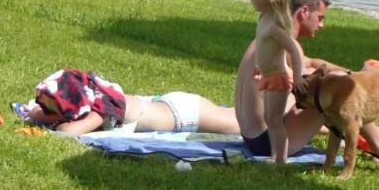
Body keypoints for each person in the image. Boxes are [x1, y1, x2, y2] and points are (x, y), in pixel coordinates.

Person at [234, 0, 379, 161]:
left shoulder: (270, 36)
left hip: (252, 137)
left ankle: (352, 132)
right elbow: (310, 79)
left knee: (330, 78)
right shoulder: (289, 45)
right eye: (320, 18)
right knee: (341, 86)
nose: (322, 25)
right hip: (269, 143)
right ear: (304, 12)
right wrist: (353, 78)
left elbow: (310, 62)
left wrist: (354, 72)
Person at [23, 68, 240, 136]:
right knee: (236, 115)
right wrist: (38, 113)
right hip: (163, 104)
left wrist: (48, 119)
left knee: (241, 125)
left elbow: (69, 132)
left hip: (185, 115)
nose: (45, 111)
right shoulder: (89, 96)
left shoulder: (101, 109)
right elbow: (37, 113)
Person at [248, 0, 304, 163]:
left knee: (275, 120)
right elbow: (265, 48)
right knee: (269, 118)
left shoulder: (274, 25)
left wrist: (298, 78)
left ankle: (279, 159)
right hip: (268, 76)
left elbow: (294, 52)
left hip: (279, 78)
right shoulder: (263, 18)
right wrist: (258, 64)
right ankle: (275, 155)